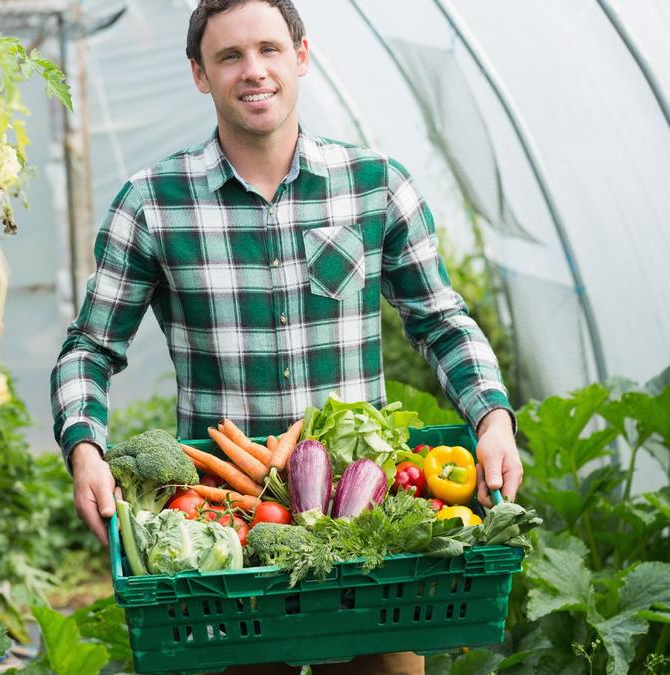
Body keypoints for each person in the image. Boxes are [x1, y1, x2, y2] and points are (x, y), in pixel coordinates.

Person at [51, 1, 522, 672]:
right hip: (227, 527)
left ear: (302, 56)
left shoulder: (376, 188)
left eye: (270, 49)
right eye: (229, 56)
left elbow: (440, 321)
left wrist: (493, 417)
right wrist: (85, 449)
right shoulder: (152, 202)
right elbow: (89, 350)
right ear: (199, 74)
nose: (254, 70)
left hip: (366, 522)